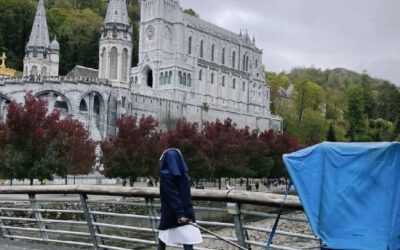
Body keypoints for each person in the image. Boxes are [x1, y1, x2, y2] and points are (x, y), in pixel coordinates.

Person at [158, 148, 203, 250]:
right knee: (187, 240)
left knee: (163, 239)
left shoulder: (166, 175)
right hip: (186, 211)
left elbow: (171, 196)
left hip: (172, 212)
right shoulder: (184, 175)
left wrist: (179, 213)